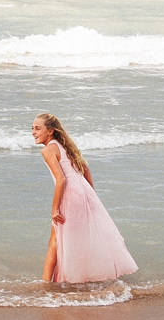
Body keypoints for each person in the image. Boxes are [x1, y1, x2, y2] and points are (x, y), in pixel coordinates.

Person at [33, 113, 137, 284]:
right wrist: (89, 195)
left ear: (50, 131)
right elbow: (85, 169)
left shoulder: (48, 150)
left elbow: (61, 179)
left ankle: (46, 283)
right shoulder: (65, 146)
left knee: (56, 239)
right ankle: (74, 278)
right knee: (74, 237)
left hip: (70, 193)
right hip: (82, 191)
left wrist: (54, 209)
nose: (33, 132)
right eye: (32, 129)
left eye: (38, 129)